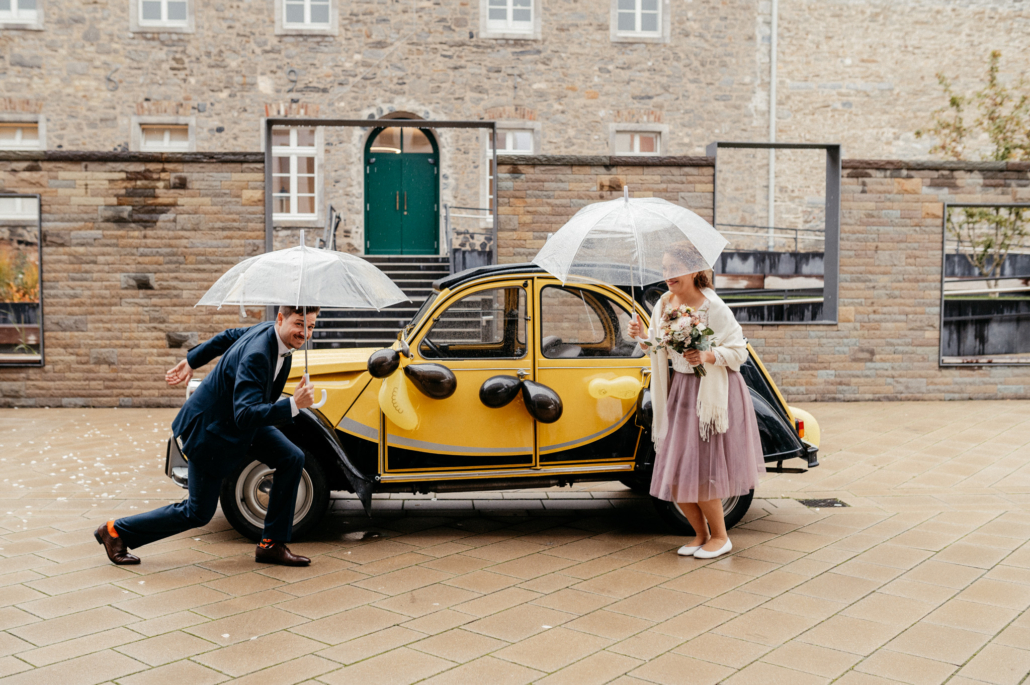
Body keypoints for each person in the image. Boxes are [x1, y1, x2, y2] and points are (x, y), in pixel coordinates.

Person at [94, 306, 320, 567]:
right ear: (280, 318)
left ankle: (271, 544)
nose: (304, 333)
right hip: (211, 431)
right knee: (197, 512)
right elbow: (245, 414)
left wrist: (192, 361)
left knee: (291, 457)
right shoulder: (258, 354)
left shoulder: (270, 333)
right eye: (299, 324)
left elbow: (227, 336)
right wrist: (294, 404)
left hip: (236, 422)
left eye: (311, 327)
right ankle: (115, 532)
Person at [628, 243, 764, 559]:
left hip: (710, 394)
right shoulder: (662, 303)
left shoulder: (712, 305)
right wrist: (639, 335)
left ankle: (720, 536)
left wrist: (706, 354)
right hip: (677, 392)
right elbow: (656, 347)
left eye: (673, 269)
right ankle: (700, 534)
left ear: (693, 270)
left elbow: (739, 352)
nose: (667, 276)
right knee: (675, 469)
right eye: (664, 269)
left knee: (702, 470)